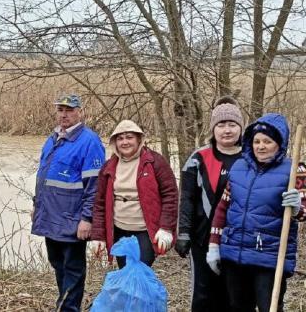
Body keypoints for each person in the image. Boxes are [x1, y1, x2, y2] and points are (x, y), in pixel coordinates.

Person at [206, 113, 306, 312]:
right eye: (257, 141)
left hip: (269, 256)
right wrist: (214, 245)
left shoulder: (295, 170)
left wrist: (297, 207)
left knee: (269, 306)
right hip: (234, 252)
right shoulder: (238, 167)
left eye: (267, 141)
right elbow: (222, 209)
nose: (260, 146)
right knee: (237, 306)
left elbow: (303, 213)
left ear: (280, 143)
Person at [31, 94, 105, 312]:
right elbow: (43, 177)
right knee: (58, 266)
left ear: (79, 112)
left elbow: (95, 185)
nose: (64, 114)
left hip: (72, 220)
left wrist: (87, 218)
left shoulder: (89, 141)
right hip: (50, 216)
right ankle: (64, 305)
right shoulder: (53, 138)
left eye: (69, 110)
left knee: (73, 269)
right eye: (60, 110)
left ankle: (67, 309)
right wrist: (37, 205)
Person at [175, 97, 244, 311]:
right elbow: (186, 198)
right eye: (221, 125)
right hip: (202, 237)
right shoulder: (198, 158)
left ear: (241, 128)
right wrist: (183, 232)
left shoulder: (250, 157)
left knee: (235, 296)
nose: (227, 130)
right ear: (213, 129)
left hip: (240, 238)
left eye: (232, 125)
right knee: (204, 295)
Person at [91, 119, 178, 268]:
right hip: (119, 230)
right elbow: (99, 203)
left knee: (138, 270)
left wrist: (166, 228)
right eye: (120, 138)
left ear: (139, 139)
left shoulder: (155, 162)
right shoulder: (109, 167)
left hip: (145, 230)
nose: (125, 142)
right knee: (125, 271)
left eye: (129, 137)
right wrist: (98, 236)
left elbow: (170, 195)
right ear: (114, 142)